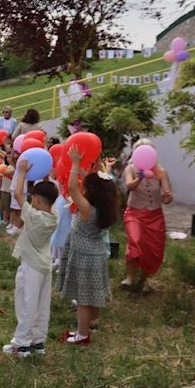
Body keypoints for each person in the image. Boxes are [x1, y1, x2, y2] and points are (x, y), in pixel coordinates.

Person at [57, 145, 120, 346]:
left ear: (91, 192)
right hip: (96, 255)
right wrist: (88, 173)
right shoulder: (103, 208)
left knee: (83, 299)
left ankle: (82, 335)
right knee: (92, 293)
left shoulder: (87, 210)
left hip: (84, 256)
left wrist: (75, 163)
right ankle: (92, 322)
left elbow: (73, 188)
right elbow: (97, 184)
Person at [2, 159, 60, 358]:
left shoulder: (33, 216)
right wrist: (44, 176)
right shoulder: (54, 215)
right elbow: (45, 198)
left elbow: (17, 194)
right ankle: (38, 341)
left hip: (31, 266)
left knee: (27, 303)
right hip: (45, 265)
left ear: (35, 200)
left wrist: (23, 173)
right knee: (42, 304)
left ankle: (21, 344)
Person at [122, 139, 174, 292]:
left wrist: (167, 197)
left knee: (152, 249)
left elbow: (167, 194)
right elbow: (129, 186)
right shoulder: (130, 169)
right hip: (134, 212)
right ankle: (130, 277)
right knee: (135, 240)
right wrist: (140, 177)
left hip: (155, 215)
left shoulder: (161, 171)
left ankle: (142, 282)